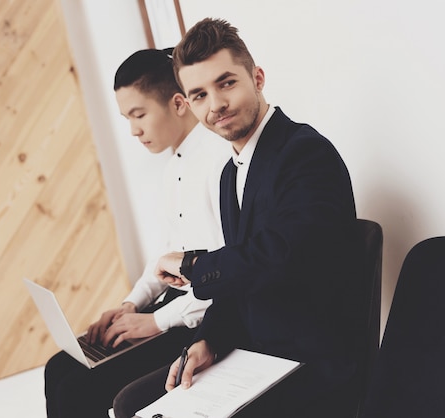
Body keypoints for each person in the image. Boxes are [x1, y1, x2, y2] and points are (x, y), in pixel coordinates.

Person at [112, 18, 360, 418]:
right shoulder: (231, 171)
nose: (216, 105)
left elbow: (280, 256)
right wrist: (208, 341)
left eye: (226, 83)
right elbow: (240, 284)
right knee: (131, 404)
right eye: (199, 95)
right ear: (188, 103)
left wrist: (193, 264)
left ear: (257, 78)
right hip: (251, 354)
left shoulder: (305, 152)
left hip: (308, 364)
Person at [44, 48, 229, 418]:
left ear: (178, 104)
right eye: (126, 118)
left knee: (76, 388)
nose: (133, 130)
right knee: (58, 367)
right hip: (171, 311)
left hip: (200, 323)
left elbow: (224, 279)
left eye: (139, 114)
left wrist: (152, 322)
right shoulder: (172, 169)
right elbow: (166, 257)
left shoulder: (219, 162)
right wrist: (131, 305)